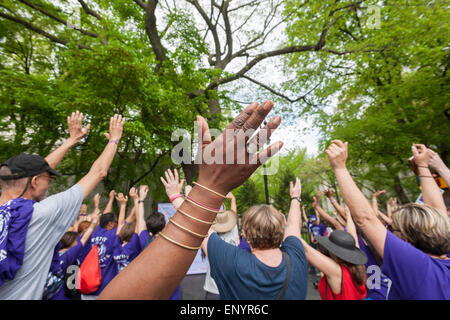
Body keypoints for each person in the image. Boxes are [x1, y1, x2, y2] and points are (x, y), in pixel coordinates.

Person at [98, 100, 284, 299]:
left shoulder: (229, 257)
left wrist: (207, 189)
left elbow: (201, 233)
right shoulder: (295, 257)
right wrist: (295, 199)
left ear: (246, 231)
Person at [0, 111, 125, 300]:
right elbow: (98, 172)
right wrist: (114, 140)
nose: (49, 183)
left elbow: (33, 173)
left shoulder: (5, 210)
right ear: (34, 181)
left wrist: (71, 140)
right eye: (48, 179)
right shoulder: (42, 214)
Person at [325, 140, 450, 299]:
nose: (390, 230)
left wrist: (340, 168)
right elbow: (437, 211)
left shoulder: (418, 267)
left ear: (407, 238)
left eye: (393, 228)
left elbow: (366, 219)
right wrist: (423, 166)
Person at [199, 177, 308, 300]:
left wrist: (177, 195)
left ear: (245, 235)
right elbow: (293, 225)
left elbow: (201, 225)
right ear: (282, 230)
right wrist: (295, 198)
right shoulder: (297, 256)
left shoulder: (231, 262)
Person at [300, 200, 368, 300]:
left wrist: (295, 200)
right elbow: (352, 233)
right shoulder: (356, 264)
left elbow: (305, 249)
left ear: (335, 252)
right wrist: (348, 215)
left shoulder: (337, 271)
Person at [45, 207, 101, 300]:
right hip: (63, 295)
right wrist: (94, 222)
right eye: (76, 241)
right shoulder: (69, 255)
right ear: (71, 243)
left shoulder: (52, 254)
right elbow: (84, 239)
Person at [202, 192, 239, 300]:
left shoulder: (210, 237)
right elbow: (233, 213)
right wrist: (233, 199)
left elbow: (203, 217)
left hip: (213, 291)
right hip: (232, 290)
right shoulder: (234, 231)